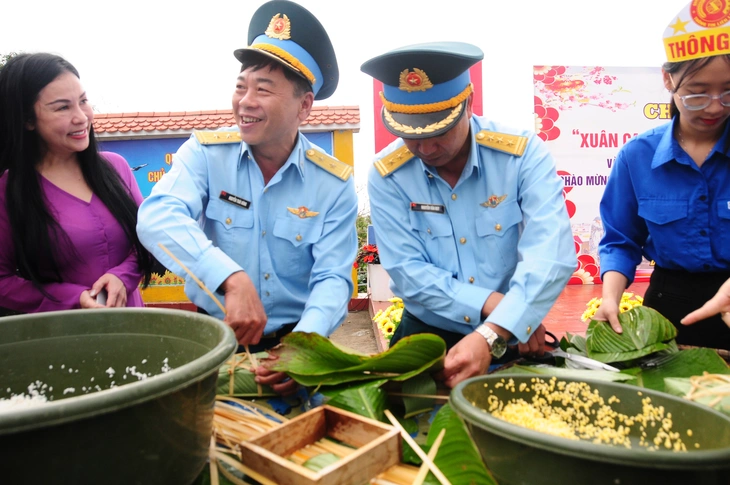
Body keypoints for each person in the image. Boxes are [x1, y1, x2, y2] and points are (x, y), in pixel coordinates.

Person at [136, 0, 358, 394]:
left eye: (263, 89)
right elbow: (157, 217)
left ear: (304, 106)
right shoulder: (206, 154)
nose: (245, 101)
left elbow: (333, 277)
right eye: (241, 86)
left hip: (295, 349)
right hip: (216, 345)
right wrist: (229, 278)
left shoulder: (332, 183)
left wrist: (303, 344)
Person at [361, 42, 576, 388]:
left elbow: (550, 254)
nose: (425, 148)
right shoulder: (388, 175)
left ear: (469, 102)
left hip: (507, 336)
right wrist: (499, 306)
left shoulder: (521, 155)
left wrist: (495, 330)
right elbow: (407, 270)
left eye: (438, 130)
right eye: (409, 135)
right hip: (427, 338)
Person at [595, 2, 730, 350]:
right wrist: (610, 298)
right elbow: (620, 240)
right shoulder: (637, 156)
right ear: (668, 80)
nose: (715, 106)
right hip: (669, 307)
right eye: (697, 93)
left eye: (729, 92)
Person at [0, 53, 152, 315]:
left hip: (134, 326)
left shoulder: (116, 167)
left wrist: (122, 276)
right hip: (63, 333)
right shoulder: (9, 190)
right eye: (62, 107)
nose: (81, 117)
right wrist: (73, 297)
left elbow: (149, 238)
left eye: (83, 101)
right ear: (27, 120)